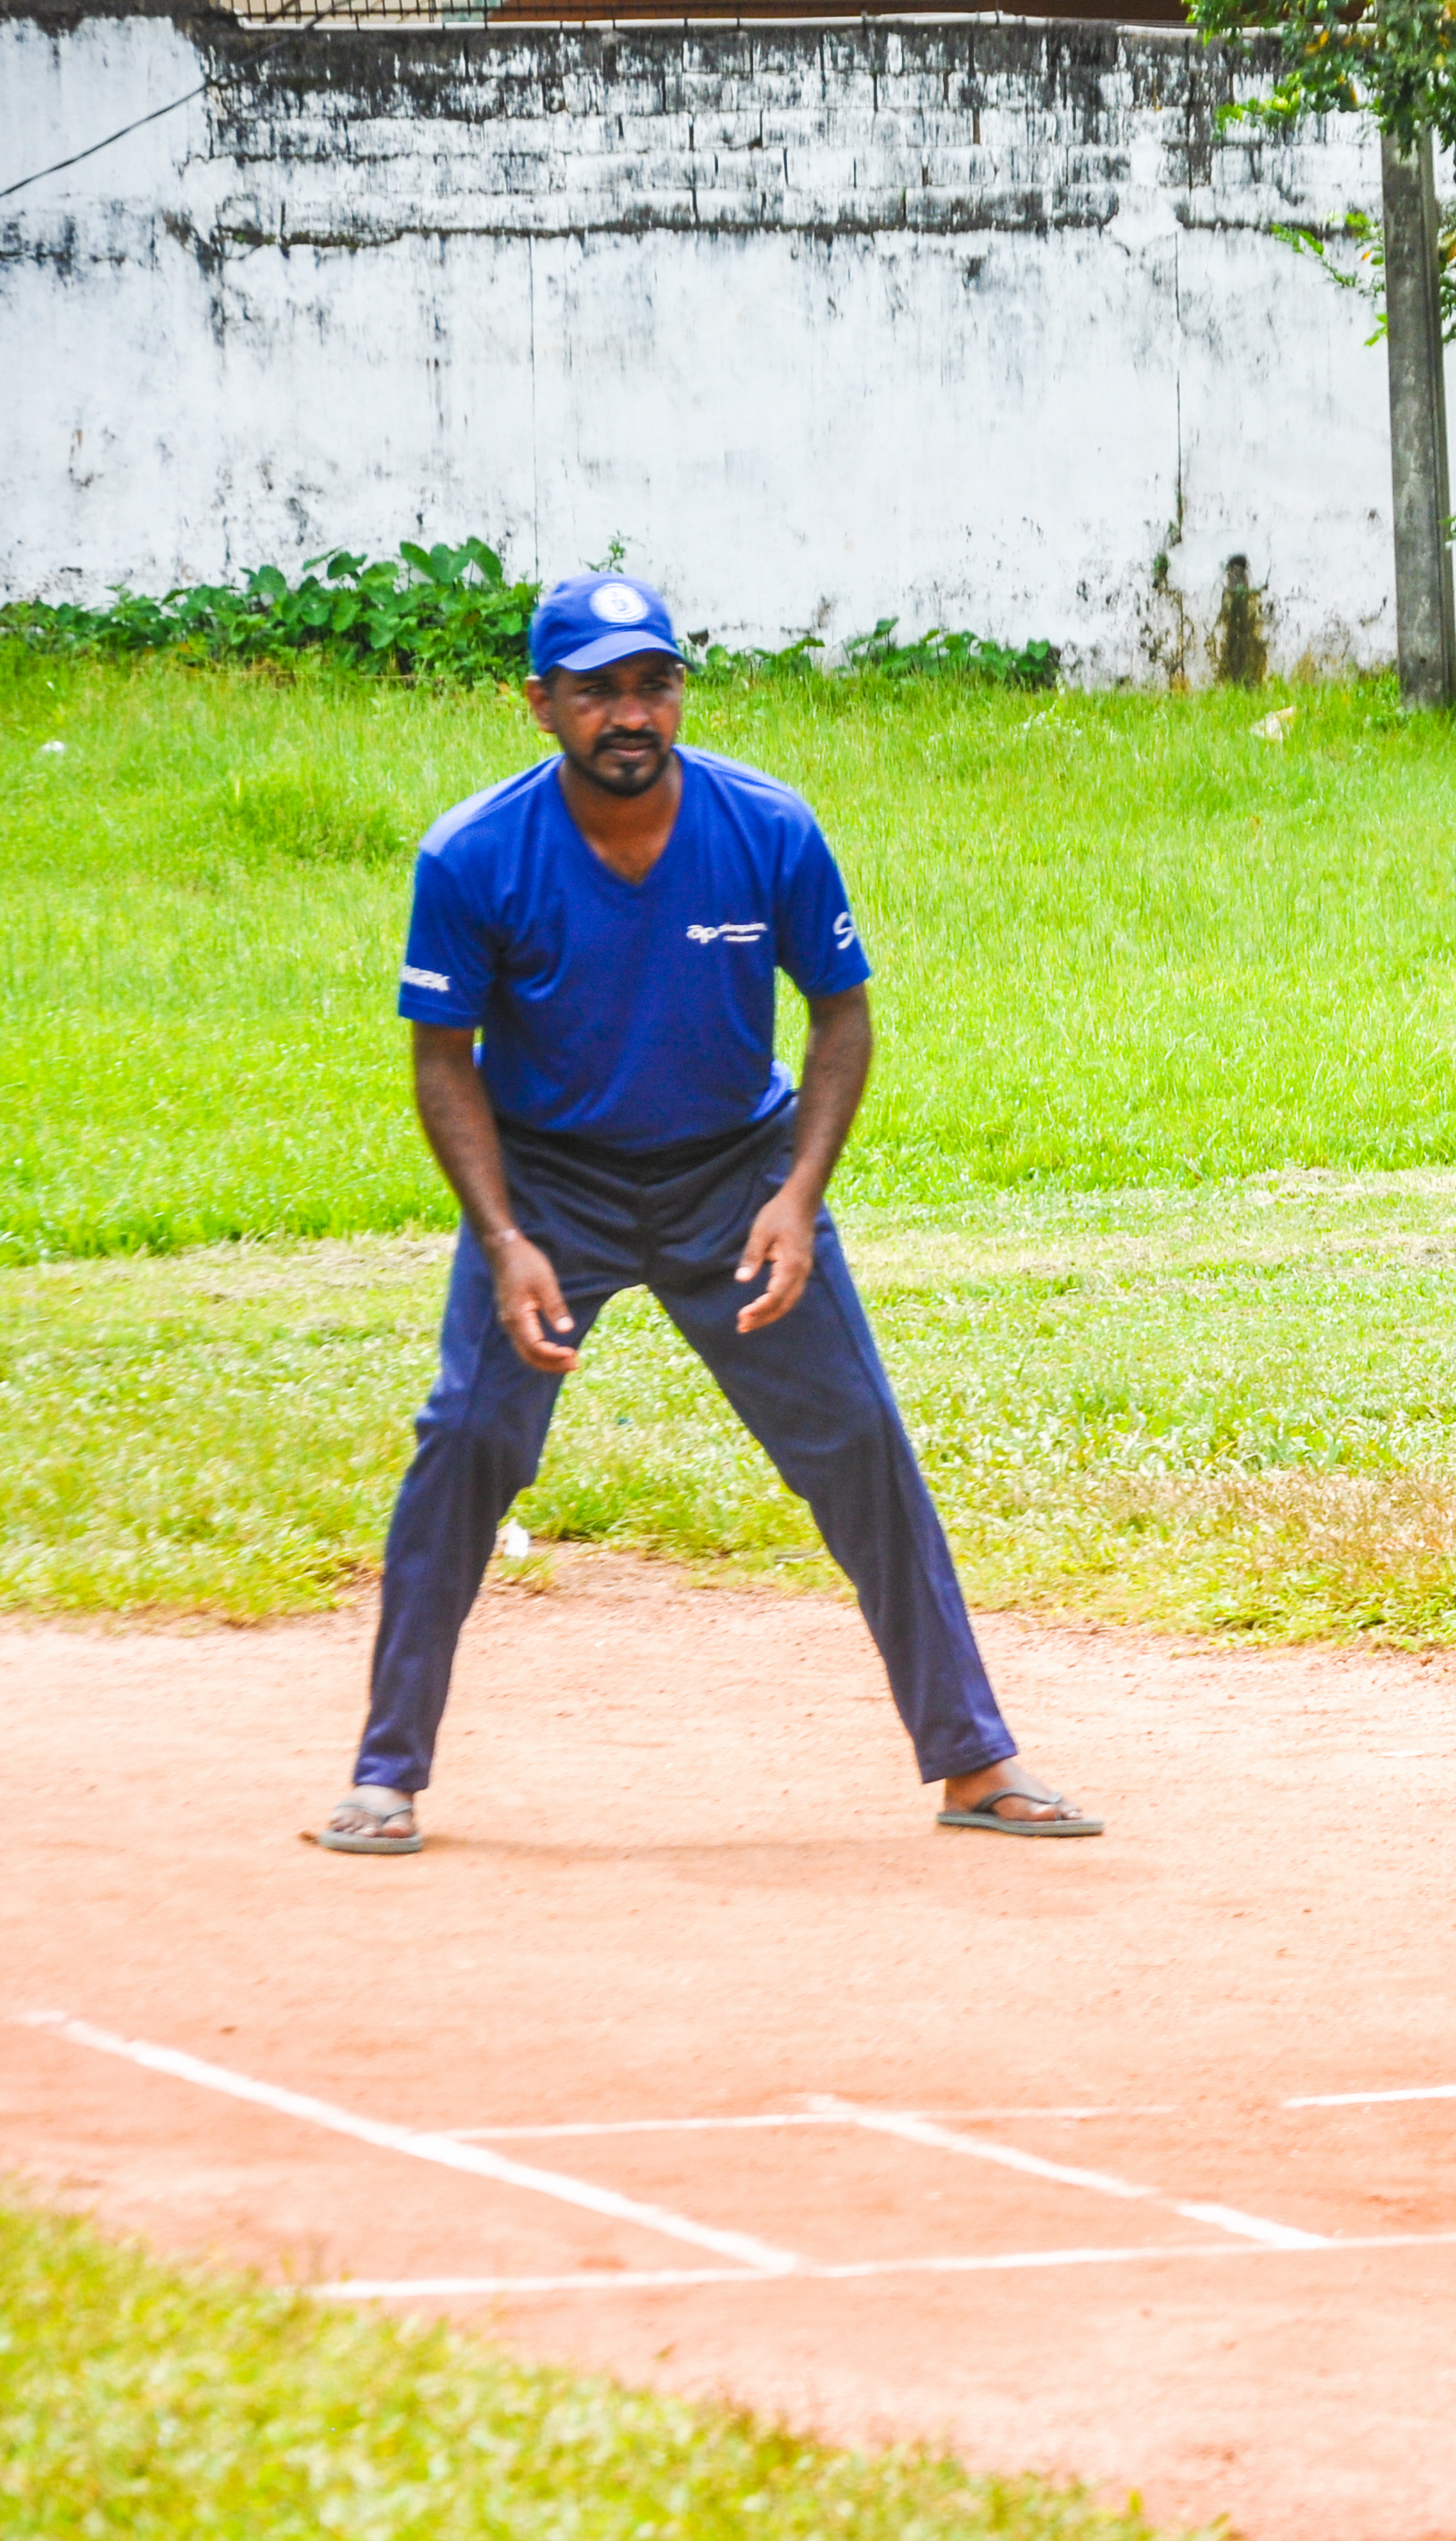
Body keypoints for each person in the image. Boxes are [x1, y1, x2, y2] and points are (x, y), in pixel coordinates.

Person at [309, 573, 1097, 1854]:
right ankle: (385, 1775)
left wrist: (797, 1193)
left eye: (653, 685)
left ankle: (973, 1764)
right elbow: (441, 1061)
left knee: (859, 1443)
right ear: (539, 704)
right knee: (465, 1446)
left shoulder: (767, 829)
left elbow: (840, 1016)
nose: (631, 714)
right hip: (550, 1187)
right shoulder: (473, 854)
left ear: (681, 694)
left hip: (736, 1178)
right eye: (598, 690)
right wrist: (506, 1239)